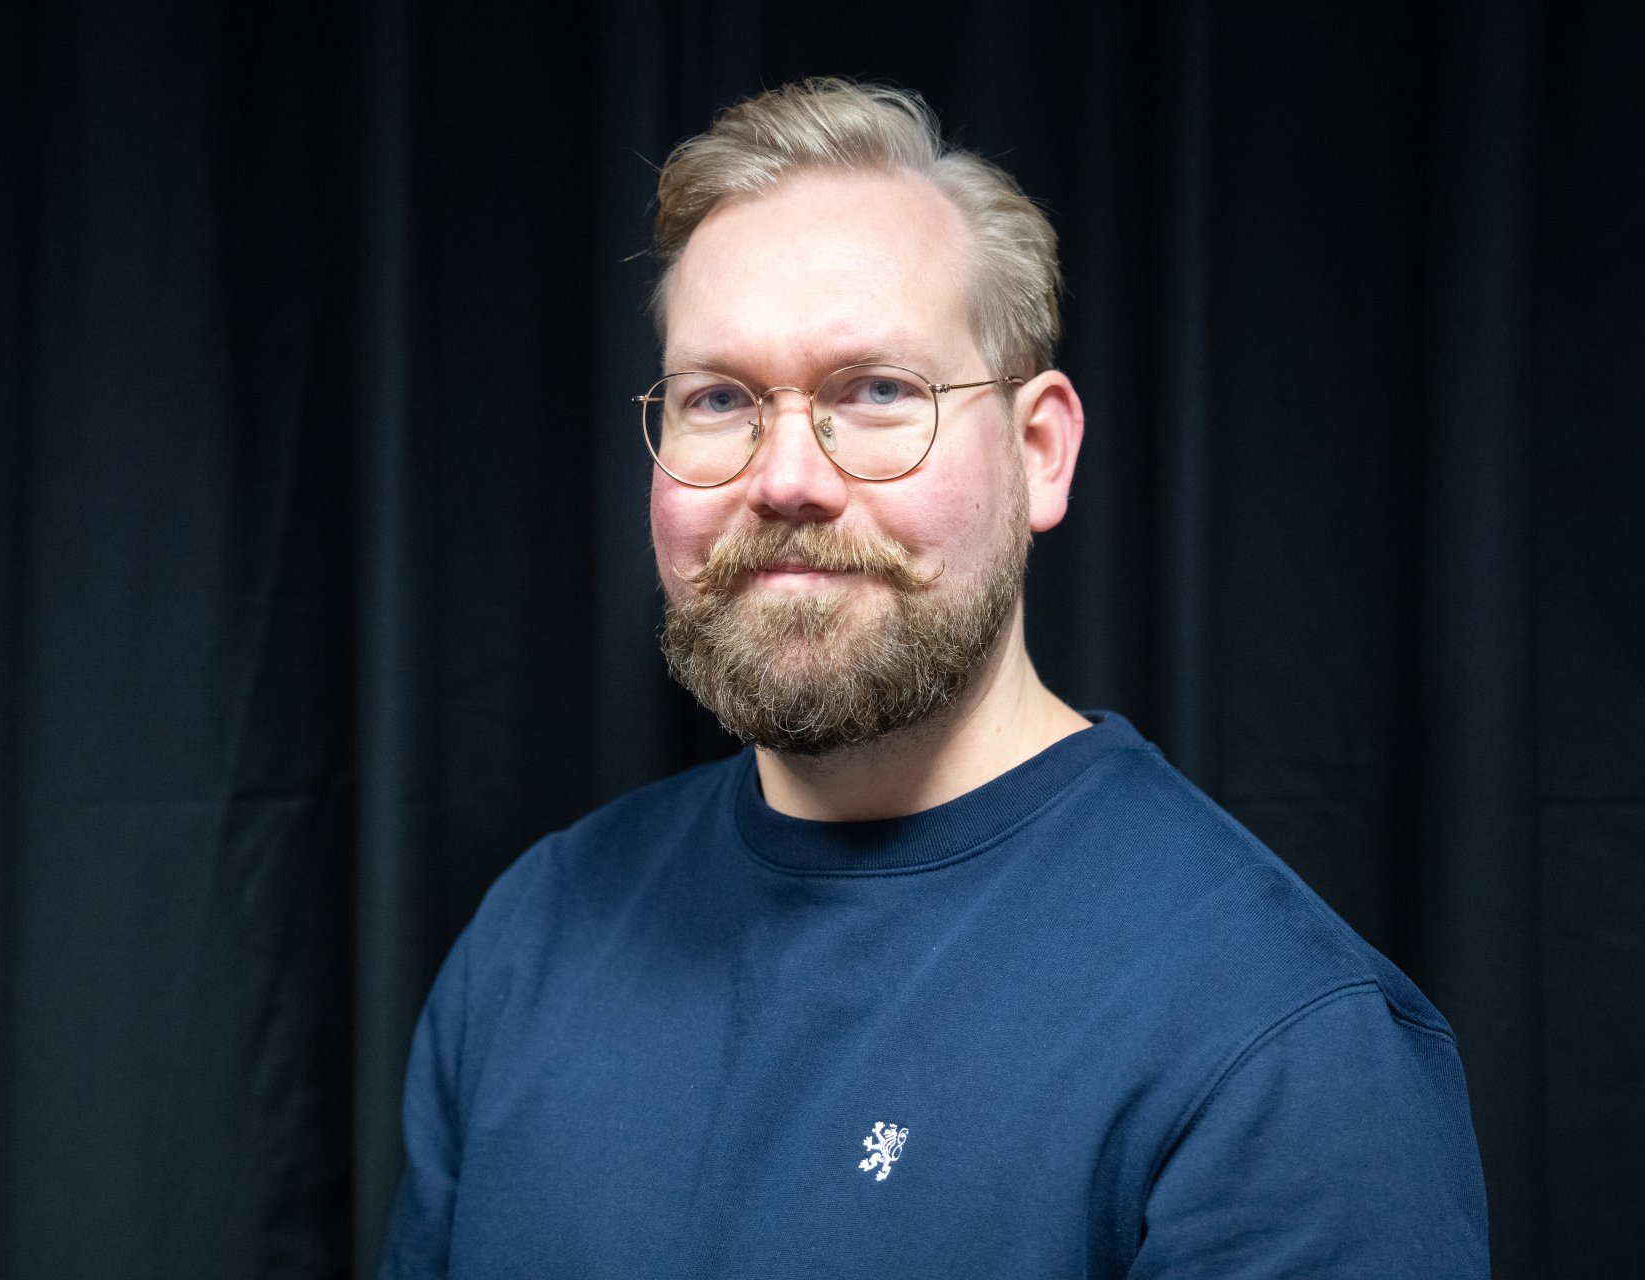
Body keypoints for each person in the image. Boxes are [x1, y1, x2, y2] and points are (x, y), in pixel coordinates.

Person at [380, 79, 1488, 1277]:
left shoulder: (1280, 1048)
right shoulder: (534, 936)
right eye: (719, 399)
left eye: (876, 392)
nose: (786, 478)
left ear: (1039, 450)